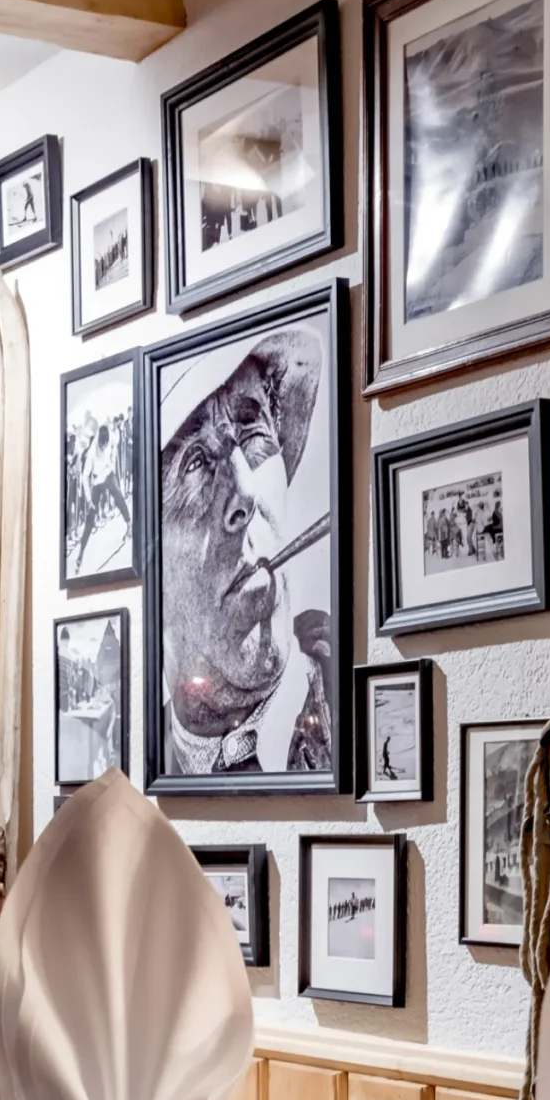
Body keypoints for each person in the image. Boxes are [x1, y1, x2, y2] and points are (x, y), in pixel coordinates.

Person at [158, 326, 330, 777]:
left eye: (253, 429)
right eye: (195, 461)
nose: (245, 493)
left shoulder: (348, 700)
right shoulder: (133, 771)